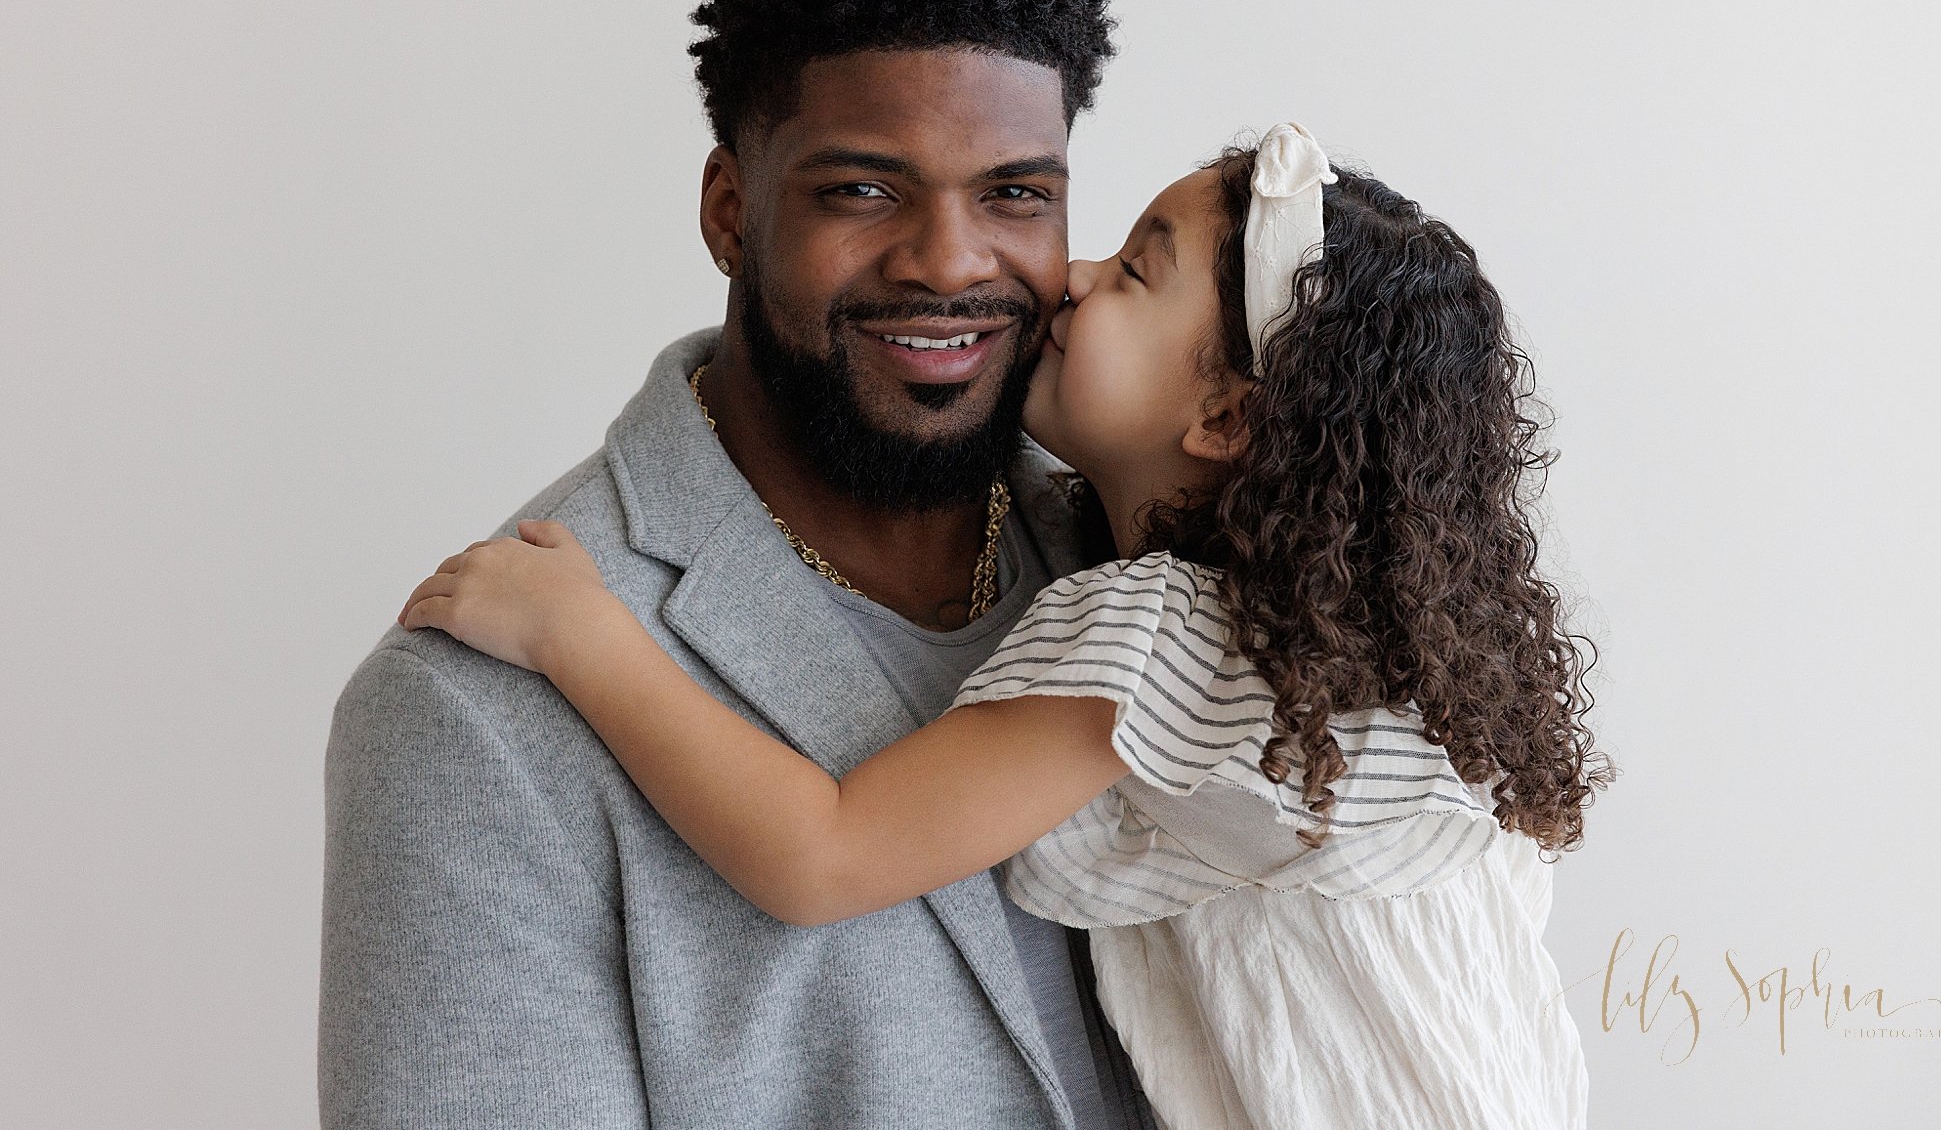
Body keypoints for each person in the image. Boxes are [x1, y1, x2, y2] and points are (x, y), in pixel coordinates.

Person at [400, 122, 1622, 1130]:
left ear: (1224, 416)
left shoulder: (1150, 636)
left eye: (1135, 272)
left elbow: (825, 854)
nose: (1074, 276)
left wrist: (584, 634)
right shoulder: (1330, 638)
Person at [321, 0, 1157, 1129]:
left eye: (1014, 195)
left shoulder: (1147, 566)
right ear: (729, 209)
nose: (949, 260)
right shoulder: (476, 713)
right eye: (863, 189)